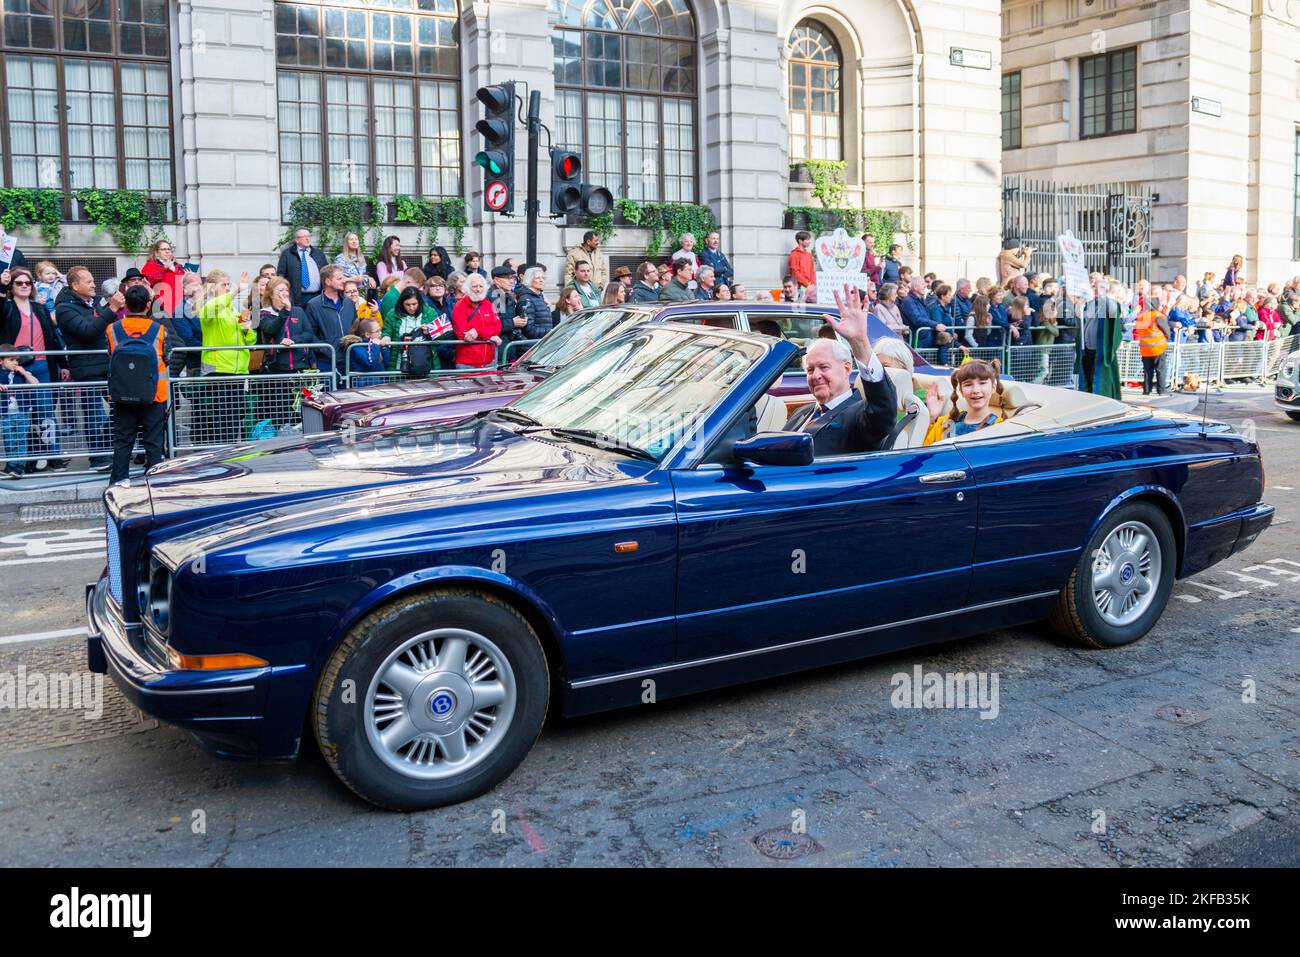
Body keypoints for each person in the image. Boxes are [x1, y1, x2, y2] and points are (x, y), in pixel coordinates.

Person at [781, 286, 897, 456]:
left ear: (846, 369)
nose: (816, 375)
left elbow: (883, 409)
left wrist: (859, 343)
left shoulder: (860, 414)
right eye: (810, 370)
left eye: (824, 367)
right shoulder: (802, 412)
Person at [57, 266, 123, 471]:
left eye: (94, 281)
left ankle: (107, 449)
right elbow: (87, 331)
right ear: (75, 285)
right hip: (86, 370)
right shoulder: (65, 309)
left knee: (122, 408)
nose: (94, 284)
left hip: (107, 366)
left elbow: (101, 327)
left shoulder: (93, 303)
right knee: (93, 415)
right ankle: (98, 459)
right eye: (89, 282)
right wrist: (111, 310)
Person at [0, 266, 67, 470]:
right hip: (15, 367)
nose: (23, 286)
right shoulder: (7, 306)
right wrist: (1, 287)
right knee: (19, 415)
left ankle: (52, 455)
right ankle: (23, 461)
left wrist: (63, 364)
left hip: (42, 364)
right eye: (18, 282)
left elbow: (54, 337)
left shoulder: (39, 308)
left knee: (45, 411)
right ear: (12, 286)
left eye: (27, 283)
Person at [105, 284, 170, 482]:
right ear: (148, 304)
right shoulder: (159, 330)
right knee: (154, 442)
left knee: (123, 442)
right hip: (154, 395)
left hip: (122, 394)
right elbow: (166, 357)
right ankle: (153, 483)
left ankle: (118, 482)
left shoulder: (112, 329)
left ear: (126, 304)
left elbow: (110, 355)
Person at [922, 358, 1003, 445]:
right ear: (961, 391)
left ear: (993, 387)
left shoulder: (999, 427)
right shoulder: (945, 422)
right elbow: (925, 450)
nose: (975, 390)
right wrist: (932, 417)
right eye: (968, 384)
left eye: (982, 383)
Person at [1078, 273, 1124, 398]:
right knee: (1087, 373)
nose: (1097, 290)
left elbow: (1114, 312)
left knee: (1097, 375)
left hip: (1100, 348)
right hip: (1087, 347)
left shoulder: (1111, 304)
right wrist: (1080, 305)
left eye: (1101, 288)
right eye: (1095, 288)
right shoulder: (1090, 303)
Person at [0, 345, 40, 478]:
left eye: (17, 360)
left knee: (22, 439)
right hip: (6, 414)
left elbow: (35, 383)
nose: (15, 363)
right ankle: (11, 465)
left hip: (23, 412)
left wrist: (24, 373)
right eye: (11, 360)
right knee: (9, 440)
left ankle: (19, 467)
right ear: (1, 361)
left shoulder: (22, 373)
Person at [451, 273, 502, 369]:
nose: (478, 289)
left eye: (481, 286)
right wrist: (490, 336)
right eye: (474, 286)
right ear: (468, 288)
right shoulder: (459, 307)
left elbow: (497, 327)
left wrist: (477, 331)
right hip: (467, 364)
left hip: (489, 362)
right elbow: (463, 334)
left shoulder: (488, 304)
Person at [339, 316, 391, 387]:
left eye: (380, 330)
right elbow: (370, 362)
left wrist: (384, 347)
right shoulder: (356, 347)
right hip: (362, 385)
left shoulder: (376, 345)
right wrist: (375, 345)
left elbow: (387, 362)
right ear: (367, 334)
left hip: (379, 382)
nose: (380, 333)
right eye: (377, 331)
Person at [141, 239, 187, 317]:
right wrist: (164, 268)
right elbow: (149, 281)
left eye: (169, 249)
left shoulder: (177, 266)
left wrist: (188, 276)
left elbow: (183, 284)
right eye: (164, 249)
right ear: (156, 253)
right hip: (161, 306)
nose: (167, 251)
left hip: (179, 305)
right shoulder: (150, 265)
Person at [1133, 306, 1168, 396]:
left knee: (1147, 370)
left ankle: (1146, 390)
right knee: (1160, 369)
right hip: (1157, 347)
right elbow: (1166, 330)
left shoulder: (1141, 316)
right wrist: (1167, 338)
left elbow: (1138, 330)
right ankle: (1161, 390)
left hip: (1145, 347)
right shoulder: (1158, 316)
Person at [516, 267, 554, 342]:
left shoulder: (540, 297)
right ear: (529, 279)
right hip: (533, 345)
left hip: (543, 342)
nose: (541, 280)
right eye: (537, 278)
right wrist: (550, 331)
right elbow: (529, 330)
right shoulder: (526, 299)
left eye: (543, 278)